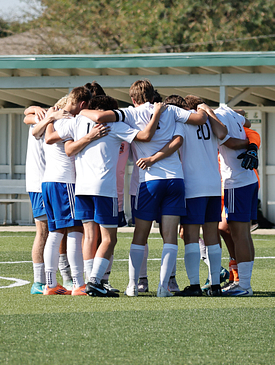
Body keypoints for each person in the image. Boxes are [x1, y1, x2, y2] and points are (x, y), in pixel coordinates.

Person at [81, 79, 207, 297]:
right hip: (175, 179)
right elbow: (199, 120)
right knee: (170, 237)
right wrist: (203, 108)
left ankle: (133, 286)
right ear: (152, 95)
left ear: (133, 98)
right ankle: (164, 287)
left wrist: (81, 111)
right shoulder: (171, 110)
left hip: (149, 181)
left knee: (140, 235)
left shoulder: (130, 113)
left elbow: (101, 117)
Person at [56, 94, 163, 297]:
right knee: (109, 239)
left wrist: (53, 116)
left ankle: (88, 282)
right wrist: (156, 113)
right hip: (104, 188)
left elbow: (57, 140)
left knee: (89, 236)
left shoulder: (77, 121)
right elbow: (145, 136)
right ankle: (95, 281)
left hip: (82, 188)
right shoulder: (113, 125)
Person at [138, 95, 227, 297]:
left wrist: (152, 158)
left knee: (190, 236)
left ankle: (194, 285)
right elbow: (223, 133)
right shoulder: (210, 122)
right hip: (214, 184)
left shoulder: (181, 122)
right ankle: (215, 285)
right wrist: (207, 110)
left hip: (193, 185)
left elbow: (175, 143)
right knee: (212, 236)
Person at [38, 87, 94, 296]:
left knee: (55, 233)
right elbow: (57, 142)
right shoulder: (70, 121)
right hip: (65, 183)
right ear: (82, 104)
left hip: (48, 181)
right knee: (75, 231)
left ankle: (51, 284)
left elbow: (42, 134)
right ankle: (78, 283)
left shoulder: (53, 120)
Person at [23, 104, 69, 294]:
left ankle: (64, 279)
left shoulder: (44, 117)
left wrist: (34, 109)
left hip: (48, 183)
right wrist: (47, 115)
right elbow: (29, 120)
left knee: (59, 230)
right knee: (43, 232)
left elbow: (27, 114)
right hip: (40, 184)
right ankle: (39, 282)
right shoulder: (47, 120)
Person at [214, 104, 258, 296]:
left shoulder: (216, 116)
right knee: (243, 234)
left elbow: (226, 139)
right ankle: (242, 281)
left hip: (235, 182)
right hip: (248, 179)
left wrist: (248, 144)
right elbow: (247, 123)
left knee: (239, 234)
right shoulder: (231, 114)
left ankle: (244, 285)